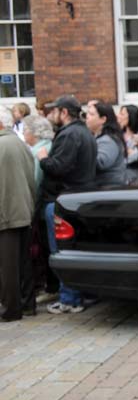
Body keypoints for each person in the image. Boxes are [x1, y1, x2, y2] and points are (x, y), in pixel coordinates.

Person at [37, 95, 97, 315]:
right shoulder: (84, 133)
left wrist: (43, 158)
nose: (51, 115)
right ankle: (80, 295)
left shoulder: (70, 134)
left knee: (62, 252)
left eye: (54, 111)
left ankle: (70, 299)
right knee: (74, 250)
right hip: (77, 199)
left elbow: (59, 167)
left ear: (63, 113)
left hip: (62, 201)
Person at [0, 107, 36, 321]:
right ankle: (27, 303)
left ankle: (11, 309)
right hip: (22, 209)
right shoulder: (20, 143)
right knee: (23, 262)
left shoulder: (3, 144)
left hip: (6, 213)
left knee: (7, 266)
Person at [21, 114, 55, 304]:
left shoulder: (38, 151)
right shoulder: (44, 147)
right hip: (44, 204)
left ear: (34, 132)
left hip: (42, 206)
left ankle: (51, 286)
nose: (24, 133)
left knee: (45, 247)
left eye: (26, 130)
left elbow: (35, 181)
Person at [86, 102, 127, 187]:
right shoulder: (99, 137)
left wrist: (81, 153)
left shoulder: (108, 140)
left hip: (108, 190)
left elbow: (100, 163)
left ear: (103, 119)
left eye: (91, 114)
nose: (87, 117)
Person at [118, 105, 138, 182]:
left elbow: (136, 156)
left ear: (131, 116)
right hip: (120, 173)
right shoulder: (118, 134)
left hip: (135, 174)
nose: (119, 116)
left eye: (122, 114)